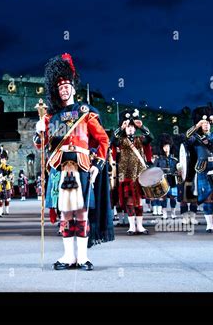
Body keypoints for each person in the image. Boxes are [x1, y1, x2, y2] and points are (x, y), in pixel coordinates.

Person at [34, 53, 113, 271]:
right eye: (60, 87)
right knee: (65, 213)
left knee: (82, 213)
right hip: (60, 168)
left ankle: (83, 257)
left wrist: (98, 165)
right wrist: (39, 132)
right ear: (56, 91)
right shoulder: (51, 117)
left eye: (67, 85)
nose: (64, 89)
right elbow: (42, 146)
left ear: (73, 88)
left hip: (83, 166)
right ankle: (68, 256)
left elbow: (103, 140)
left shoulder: (85, 113)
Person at [111, 109, 152, 235]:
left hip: (139, 173)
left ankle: (139, 226)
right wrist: (120, 128)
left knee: (138, 201)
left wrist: (142, 126)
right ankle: (131, 226)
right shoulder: (121, 140)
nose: (130, 129)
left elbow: (151, 137)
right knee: (129, 200)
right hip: (125, 173)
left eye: (132, 127)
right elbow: (112, 141)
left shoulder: (140, 139)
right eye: (128, 127)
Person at [154, 133, 178, 220]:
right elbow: (155, 170)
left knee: (173, 198)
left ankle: (173, 213)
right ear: (162, 148)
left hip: (172, 181)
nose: (166, 148)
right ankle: (164, 214)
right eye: (164, 146)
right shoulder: (158, 160)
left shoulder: (175, 160)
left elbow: (177, 170)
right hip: (162, 181)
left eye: (167, 146)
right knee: (163, 198)